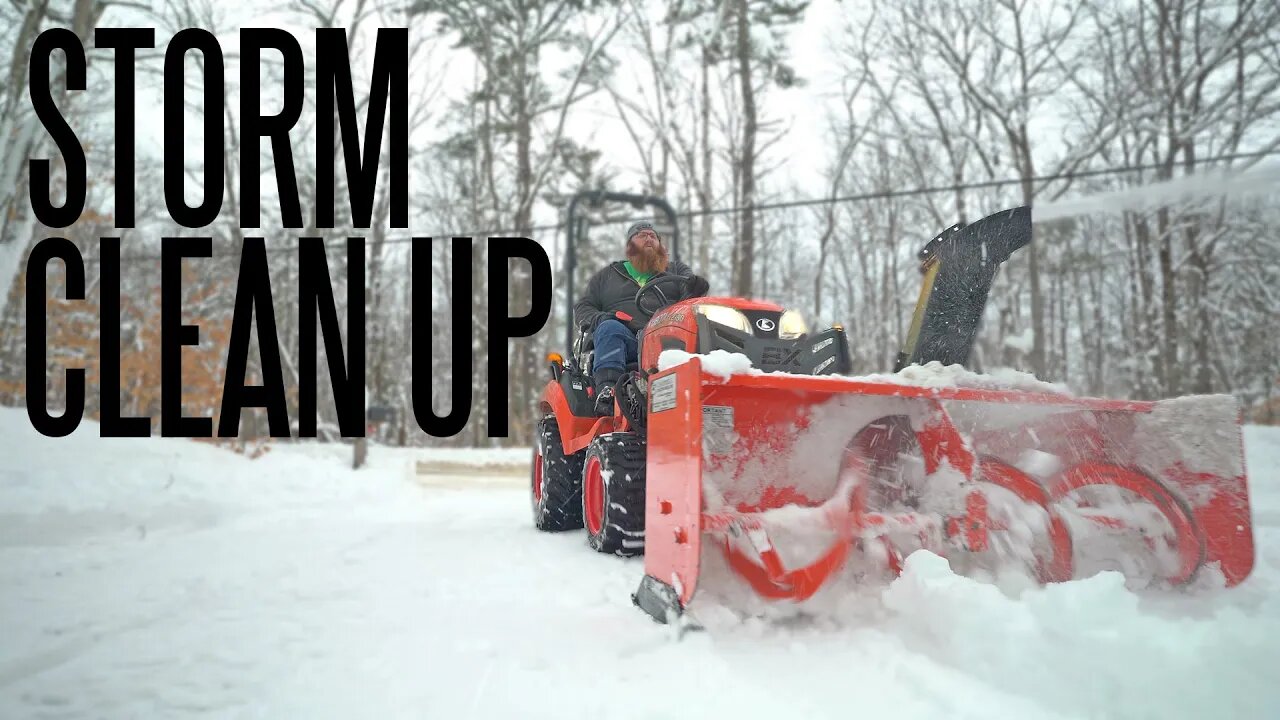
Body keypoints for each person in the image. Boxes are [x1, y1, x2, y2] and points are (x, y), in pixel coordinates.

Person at [573, 221, 708, 414]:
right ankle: (609, 392)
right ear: (630, 246)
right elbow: (583, 306)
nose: (649, 238)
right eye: (642, 235)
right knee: (610, 328)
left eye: (653, 236)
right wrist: (601, 319)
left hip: (666, 339)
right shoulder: (607, 276)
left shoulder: (676, 270)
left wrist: (697, 289)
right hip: (625, 339)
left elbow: (690, 296)